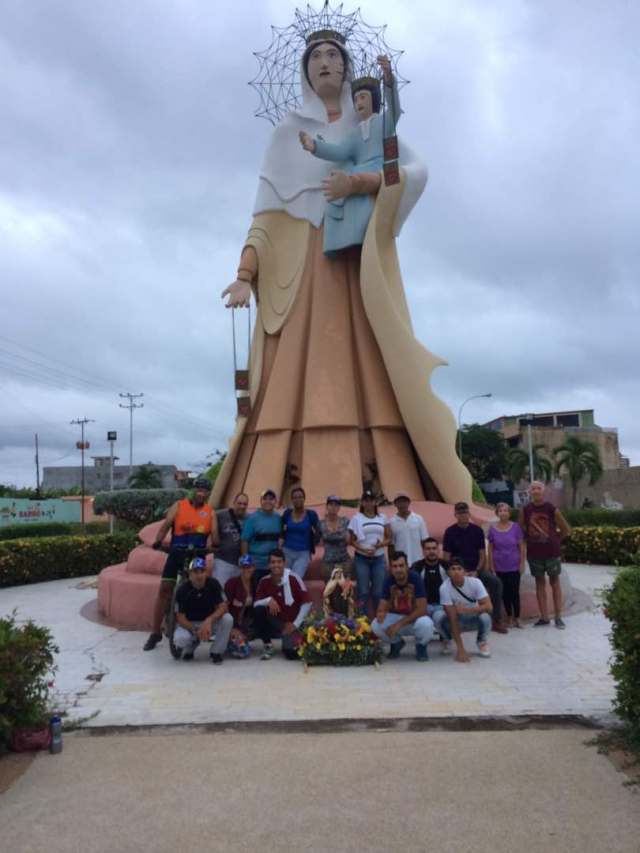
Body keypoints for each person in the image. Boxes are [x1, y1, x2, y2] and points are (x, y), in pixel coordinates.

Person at [212, 26, 472, 509]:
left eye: (335, 55)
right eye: (317, 58)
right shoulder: (288, 136)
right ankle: (280, 476)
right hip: (305, 266)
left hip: (357, 262)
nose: (326, 63)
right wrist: (245, 275)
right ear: (304, 72)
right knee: (293, 374)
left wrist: (365, 182)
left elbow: (416, 170)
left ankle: (391, 474)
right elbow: (264, 220)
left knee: (370, 365)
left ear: (350, 69)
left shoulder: (371, 127)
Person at [299, 54, 400, 257]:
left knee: (359, 196)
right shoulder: (354, 133)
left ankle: (360, 238)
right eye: (355, 98)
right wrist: (315, 146)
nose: (358, 102)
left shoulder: (384, 123)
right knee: (334, 197)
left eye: (363, 97)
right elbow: (340, 151)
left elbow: (395, 108)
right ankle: (340, 244)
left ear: (374, 99)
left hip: (376, 172)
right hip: (356, 171)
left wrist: (389, 79)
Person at [143, 478, 218, 651]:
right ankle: (155, 633)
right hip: (177, 553)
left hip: (197, 555)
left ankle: (200, 628)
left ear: (208, 493)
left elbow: (214, 536)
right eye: (198, 489)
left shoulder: (210, 512)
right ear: (193, 490)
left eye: (204, 491)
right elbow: (166, 525)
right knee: (164, 590)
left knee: (200, 589)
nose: (201, 493)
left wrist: (215, 545)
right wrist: (158, 541)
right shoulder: (179, 505)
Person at [442, 501, 507, 634]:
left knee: (495, 583)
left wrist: (477, 571)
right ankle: (451, 622)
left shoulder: (477, 530)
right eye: (460, 512)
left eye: (465, 512)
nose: (463, 515)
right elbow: (446, 556)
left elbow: (482, 554)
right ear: (455, 514)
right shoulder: (450, 532)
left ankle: (496, 620)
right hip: (457, 572)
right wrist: (455, 573)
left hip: (476, 569)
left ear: (469, 513)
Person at [519, 481, 571, 629]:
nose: (536, 491)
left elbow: (566, 529)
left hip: (552, 553)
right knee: (539, 584)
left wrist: (555, 540)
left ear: (543, 491)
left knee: (555, 583)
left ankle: (558, 616)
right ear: (530, 491)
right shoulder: (525, 510)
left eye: (538, 488)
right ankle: (544, 617)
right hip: (534, 553)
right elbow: (521, 529)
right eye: (533, 488)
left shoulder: (551, 509)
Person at [372, 552, 434, 661]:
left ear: (407, 566)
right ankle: (396, 643)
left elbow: (422, 609)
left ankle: (421, 646)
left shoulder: (415, 578)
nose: (398, 569)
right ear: (390, 568)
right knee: (376, 625)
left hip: (414, 618)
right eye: (395, 566)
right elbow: (382, 605)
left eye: (401, 566)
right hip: (397, 616)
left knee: (426, 624)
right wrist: (381, 612)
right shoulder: (388, 580)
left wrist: (398, 625)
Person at [253, 548, 312, 660]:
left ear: (284, 563)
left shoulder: (294, 578)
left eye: (279, 562)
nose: (276, 565)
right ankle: (268, 644)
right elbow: (256, 604)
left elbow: (307, 603)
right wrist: (268, 600)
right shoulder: (264, 581)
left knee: (291, 654)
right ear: (269, 565)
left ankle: (290, 639)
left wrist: (295, 624)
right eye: (273, 562)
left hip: (294, 622)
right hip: (277, 621)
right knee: (259, 610)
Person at [172, 557, 233, 664]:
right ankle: (190, 648)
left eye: (202, 571)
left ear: (206, 573)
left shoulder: (214, 584)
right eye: (195, 572)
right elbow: (180, 617)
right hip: (190, 624)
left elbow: (223, 607)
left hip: (210, 623)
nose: (199, 575)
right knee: (180, 639)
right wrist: (195, 630)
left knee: (228, 619)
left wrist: (209, 621)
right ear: (190, 574)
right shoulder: (182, 590)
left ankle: (216, 652)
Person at [434, 558, 493, 661]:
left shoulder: (476, 582)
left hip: (472, 617)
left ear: (465, 571)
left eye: (459, 568)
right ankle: (447, 639)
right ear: (448, 572)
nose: (456, 572)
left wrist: (467, 610)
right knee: (437, 616)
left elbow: (489, 607)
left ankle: (481, 641)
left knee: (485, 617)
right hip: (456, 619)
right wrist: (461, 650)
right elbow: (452, 619)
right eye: (453, 569)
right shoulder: (444, 588)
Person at [348, 490, 391, 614]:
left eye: (371, 500)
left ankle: (379, 619)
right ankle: (362, 621)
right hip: (362, 558)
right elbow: (352, 540)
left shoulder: (382, 518)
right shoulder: (356, 518)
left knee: (378, 591)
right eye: (366, 500)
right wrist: (363, 549)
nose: (368, 503)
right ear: (362, 502)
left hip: (378, 558)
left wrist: (379, 545)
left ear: (375, 502)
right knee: (363, 591)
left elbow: (389, 538)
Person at [488, 502, 525, 628]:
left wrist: (522, 564)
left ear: (509, 513)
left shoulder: (515, 527)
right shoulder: (492, 529)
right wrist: (491, 566)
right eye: (500, 511)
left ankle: (517, 618)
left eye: (505, 510)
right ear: (497, 513)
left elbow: (521, 546)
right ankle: (509, 617)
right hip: (499, 566)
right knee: (504, 593)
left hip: (514, 566)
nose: (503, 513)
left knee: (514, 592)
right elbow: (490, 549)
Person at [240, 489, 282, 585]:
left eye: (271, 499)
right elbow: (244, 541)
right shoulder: (252, 518)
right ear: (261, 501)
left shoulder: (278, 518)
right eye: (265, 499)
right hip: (256, 565)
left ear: (275, 501)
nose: (268, 501)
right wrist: (246, 562)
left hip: (273, 566)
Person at [280, 486, 320, 579]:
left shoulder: (311, 514)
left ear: (304, 498)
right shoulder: (287, 513)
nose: (298, 499)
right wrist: (281, 539)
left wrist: (312, 543)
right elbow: (281, 527)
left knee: (295, 579)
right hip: (287, 551)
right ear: (292, 500)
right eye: (295, 497)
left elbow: (319, 531)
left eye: (300, 497)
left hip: (303, 553)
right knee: (284, 579)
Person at [214, 492, 249, 589]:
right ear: (233, 503)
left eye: (245, 504)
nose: (242, 506)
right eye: (239, 503)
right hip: (223, 561)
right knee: (220, 590)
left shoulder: (250, 518)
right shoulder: (221, 515)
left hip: (240, 564)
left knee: (235, 594)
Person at [224, 554, 257, 658]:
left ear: (253, 568)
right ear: (240, 568)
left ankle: (244, 638)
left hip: (246, 623)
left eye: (249, 567)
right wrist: (232, 628)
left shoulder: (256, 583)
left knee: (244, 651)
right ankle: (228, 640)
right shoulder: (231, 583)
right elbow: (224, 606)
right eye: (243, 567)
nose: (246, 570)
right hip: (232, 623)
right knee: (243, 653)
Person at [388, 491, 428, 567]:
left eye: (404, 501)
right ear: (395, 504)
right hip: (400, 563)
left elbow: (424, 541)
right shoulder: (391, 522)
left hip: (418, 560)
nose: (402, 504)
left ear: (409, 503)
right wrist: (391, 563)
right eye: (399, 502)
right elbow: (391, 545)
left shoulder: (419, 519)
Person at [411, 537, 447, 619]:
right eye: (428, 549)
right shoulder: (416, 566)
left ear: (438, 550)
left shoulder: (446, 565)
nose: (431, 551)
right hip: (424, 607)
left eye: (434, 548)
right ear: (423, 551)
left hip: (442, 606)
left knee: (439, 617)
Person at [318, 495, 352, 580]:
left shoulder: (345, 521)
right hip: (328, 562)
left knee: (344, 590)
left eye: (336, 505)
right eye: (331, 504)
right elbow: (315, 539)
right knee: (331, 590)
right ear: (327, 506)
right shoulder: (320, 524)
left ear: (339, 507)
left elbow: (350, 539)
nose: (333, 507)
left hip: (344, 561)